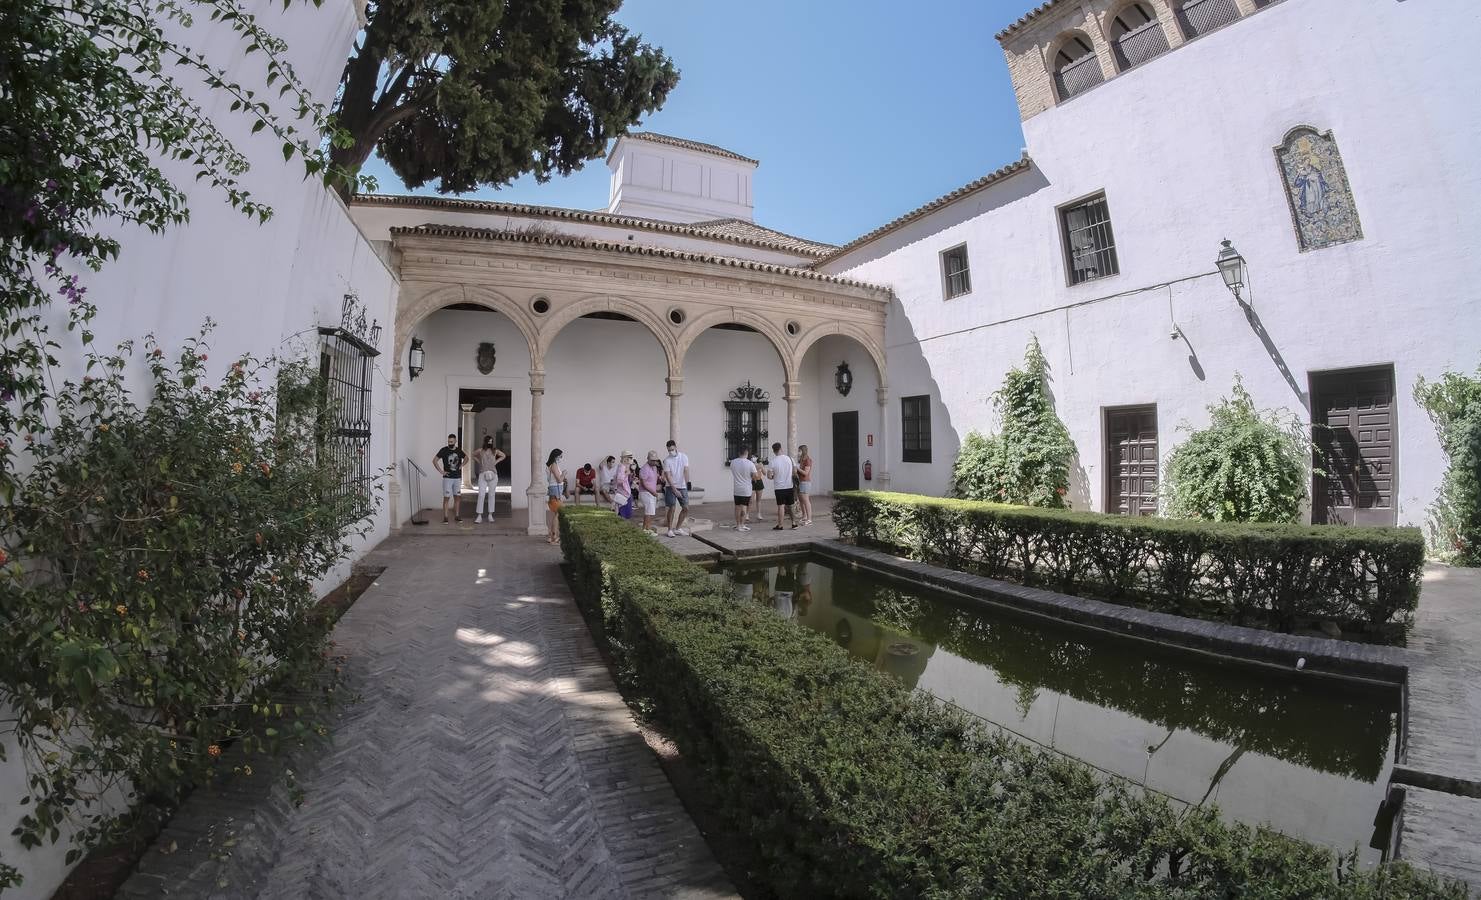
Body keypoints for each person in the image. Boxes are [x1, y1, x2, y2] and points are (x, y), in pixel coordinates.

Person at [433, 433, 467, 524]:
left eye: (452, 441)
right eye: (449, 441)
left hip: (457, 478)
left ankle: (457, 516)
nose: (450, 443)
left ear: (455, 441)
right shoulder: (444, 450)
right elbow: (435, 460)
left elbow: (467, 458)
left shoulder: (459, 450)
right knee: (446, 498)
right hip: (447, 478)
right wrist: (441, 471)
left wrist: (461, 466)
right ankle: (445, 517)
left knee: (457, 497)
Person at [662, 439, 691, 538]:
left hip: (682, 486)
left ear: (676, 447)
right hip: (670, 486)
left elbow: (686, 470)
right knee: (672, 507)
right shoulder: (667, 460)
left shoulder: (684, 457)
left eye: (672, 449)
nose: (671, 452)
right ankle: (670, 530)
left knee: (686, 508)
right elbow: (668, 476)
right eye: (669, 450)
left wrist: (687, 484)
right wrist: (674, 489)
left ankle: (678, 528)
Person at [474, 436, 507, 524]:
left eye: (491, 441)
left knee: (492, 495)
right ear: (485, 441)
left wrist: (496, 462)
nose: (490, 443)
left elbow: (503, 455)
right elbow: (472, 454)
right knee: (481, 494)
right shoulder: (481, 450)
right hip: (482, 474)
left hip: (493, 474)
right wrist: (479, 461)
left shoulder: (495, 450)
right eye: (489, 441)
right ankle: (479, 515)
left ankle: (490, 515)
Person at [767, 442, 798, 530]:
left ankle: (780, 525)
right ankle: (794, 523)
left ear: (774, 451)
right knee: (791, 505)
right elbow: (795, 471)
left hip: (779, 487)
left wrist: (774, 476)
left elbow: (769, 476)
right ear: (781, 449)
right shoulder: (790, 459)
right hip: (789, 486)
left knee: (781, 506)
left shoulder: (773, 462)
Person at [729, 446, 757, 531]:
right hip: (746, 489)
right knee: (744, 507)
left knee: (737, 507)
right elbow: (755, 477)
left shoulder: (733, 462)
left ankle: (737, 525)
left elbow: (733, 471)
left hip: (737, 488)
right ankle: (742, 524)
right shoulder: (750, 463)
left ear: (739, 453)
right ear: (747, 453)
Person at [638, 450, 662, 534]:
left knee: (650, 512)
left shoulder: (654, 467)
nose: (654, 461)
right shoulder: (644, 469)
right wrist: (653, 492)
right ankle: (646, 529)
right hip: (645, 492)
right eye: (652, 460)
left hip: (651, 492)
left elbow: (655, 478)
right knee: (649, 511)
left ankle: (646, 528)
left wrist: (660, 478)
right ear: (647, 458)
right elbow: (644, 484)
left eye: (655, 460)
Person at [545, 448, 566, 544]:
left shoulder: (554, 465)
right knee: (558, 514)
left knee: (557, 514)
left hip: (555, 491)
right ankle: (554, 536)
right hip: (555, 491)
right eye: (561, 456)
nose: (561, 458)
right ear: (556, 456)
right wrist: (564, 474)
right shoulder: (553, 465)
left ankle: (551, 535)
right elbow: (559, 480)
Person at [611, 451, 634, 518]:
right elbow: (619, 480)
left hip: (624, 492)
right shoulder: (622, 467)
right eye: (630, 458)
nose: (632, 459)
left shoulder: (623, 466)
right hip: (624, 493)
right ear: (626, 459)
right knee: (623, 513)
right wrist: (626, 473)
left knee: (623, 512)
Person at [796, 444, 814, 527]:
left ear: (803, 451)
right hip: (800, 482)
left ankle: (809, 519)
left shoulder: (807, 460)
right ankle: (804, 516)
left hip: (805, 482)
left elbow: (806, 473)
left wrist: (797, 468)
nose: (798, 452)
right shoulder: (801, 460)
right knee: (801, 500)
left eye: (799, 451)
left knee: (806, 500)